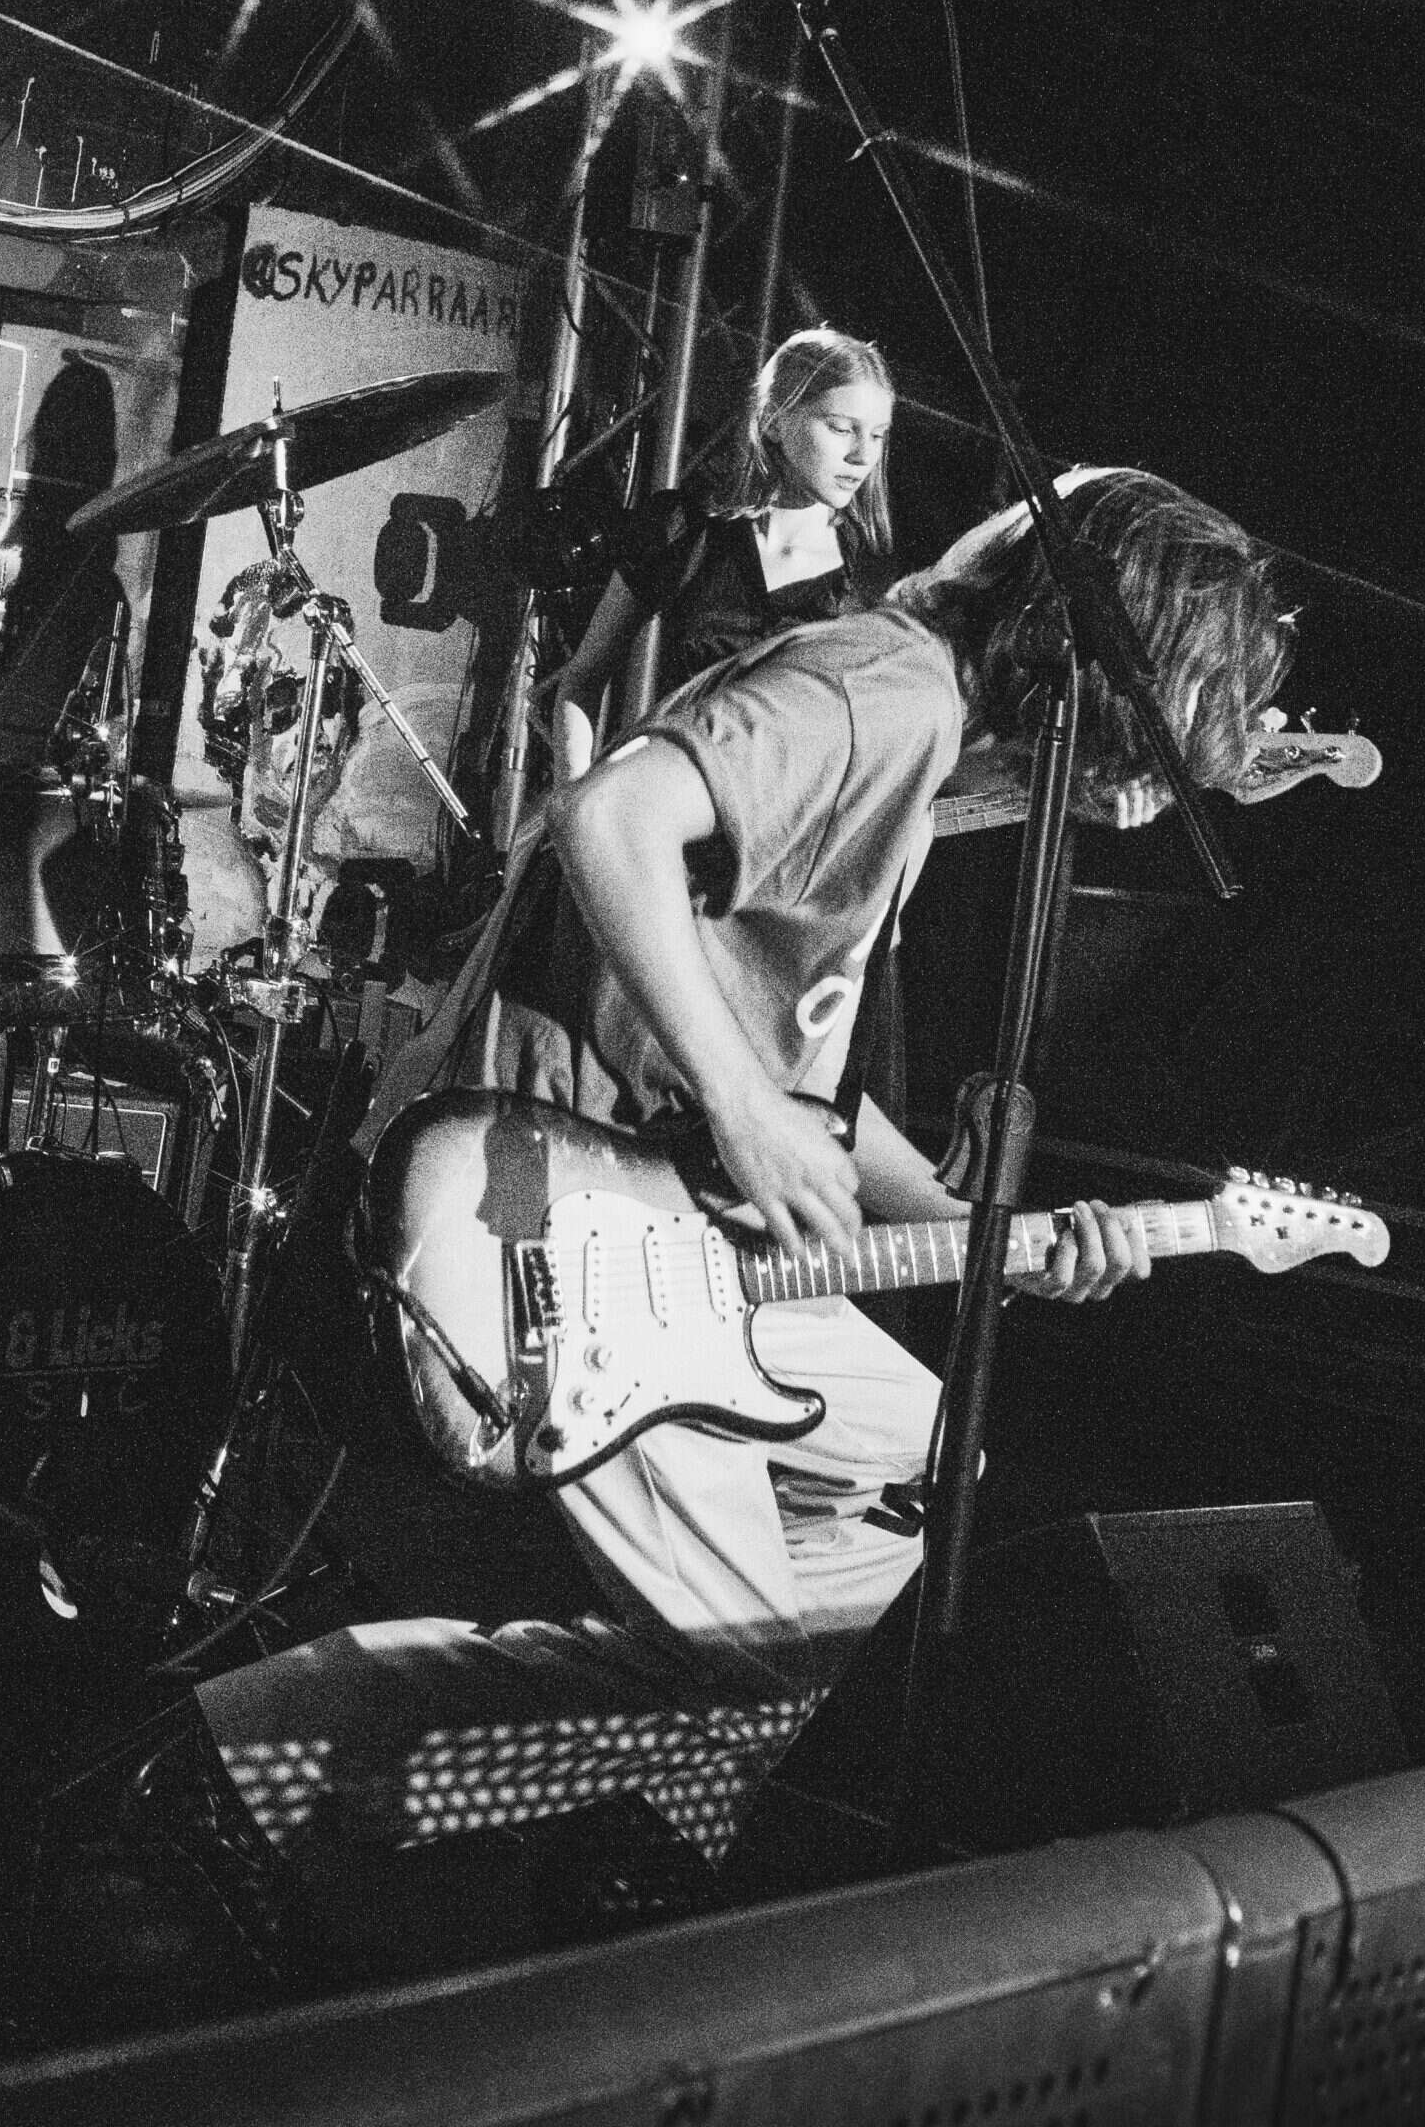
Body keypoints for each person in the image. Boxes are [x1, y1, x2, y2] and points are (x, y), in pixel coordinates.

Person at [197, 468, 1292, 1839]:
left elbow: (801, 1097)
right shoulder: (884, 693)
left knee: (933, 1475)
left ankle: (664, 1759)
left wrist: (984, 1240)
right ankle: (234, 1768)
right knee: (741, 1663)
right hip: (558, 1210)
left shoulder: (916, 742)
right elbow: (608, 817)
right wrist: (738, 1104)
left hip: (669, 1212)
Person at [545, 325, 897, 781]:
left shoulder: (869, 574)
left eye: (878, 435)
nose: (863, 456)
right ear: (774, 420)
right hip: (669, 802)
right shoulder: (683, 529)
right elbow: (583, 678)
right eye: (842, 428)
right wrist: (574, 797)